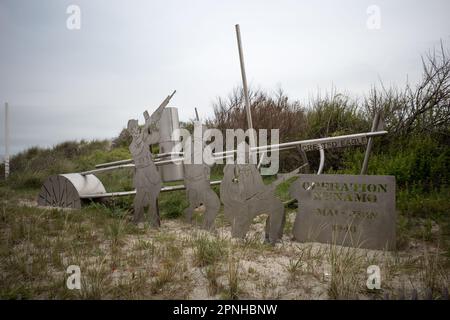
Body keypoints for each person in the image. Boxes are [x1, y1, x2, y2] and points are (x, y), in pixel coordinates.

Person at [127, 116, 162, 228]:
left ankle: (154, 222)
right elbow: (138, 151)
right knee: (140, 198)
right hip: (142, 173)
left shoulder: (144, 139)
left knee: (153, 197)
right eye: (133, 130)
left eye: (137, 129)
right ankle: (138, 221)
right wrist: (142, 136)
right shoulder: (132, 146)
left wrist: (152, 124)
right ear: (130, 132)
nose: (136, 132)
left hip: (151, 170)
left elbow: (156, 138)